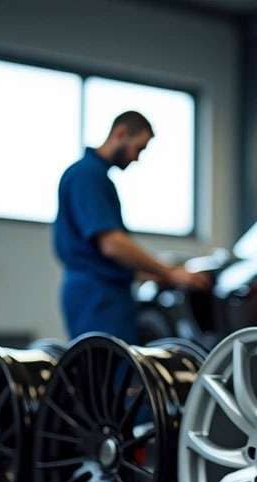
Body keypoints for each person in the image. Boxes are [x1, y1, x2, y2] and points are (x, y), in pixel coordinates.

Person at [53, 110, 209, 342]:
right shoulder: (88, 176)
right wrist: (169, 273)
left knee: (107, 371)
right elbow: (112, 245)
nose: (137, 158)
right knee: (107, 371)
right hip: (98, 295)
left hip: (103, 293)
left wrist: (155, 274)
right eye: (139, 148)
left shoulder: (93, 176)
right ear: (121, 133)